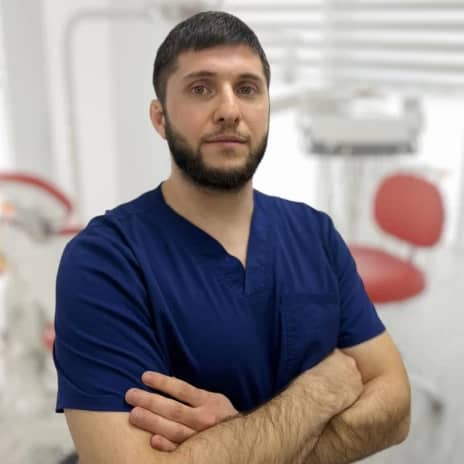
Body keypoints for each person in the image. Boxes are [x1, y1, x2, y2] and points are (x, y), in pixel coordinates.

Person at [54, 11, 411, 464]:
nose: (229, 110)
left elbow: (396, 407)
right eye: (201, 89)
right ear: (160, 118)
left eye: (247, 88)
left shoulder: (314, 233)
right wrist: (321, 390)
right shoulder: (105, 261)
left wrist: (248, 440)